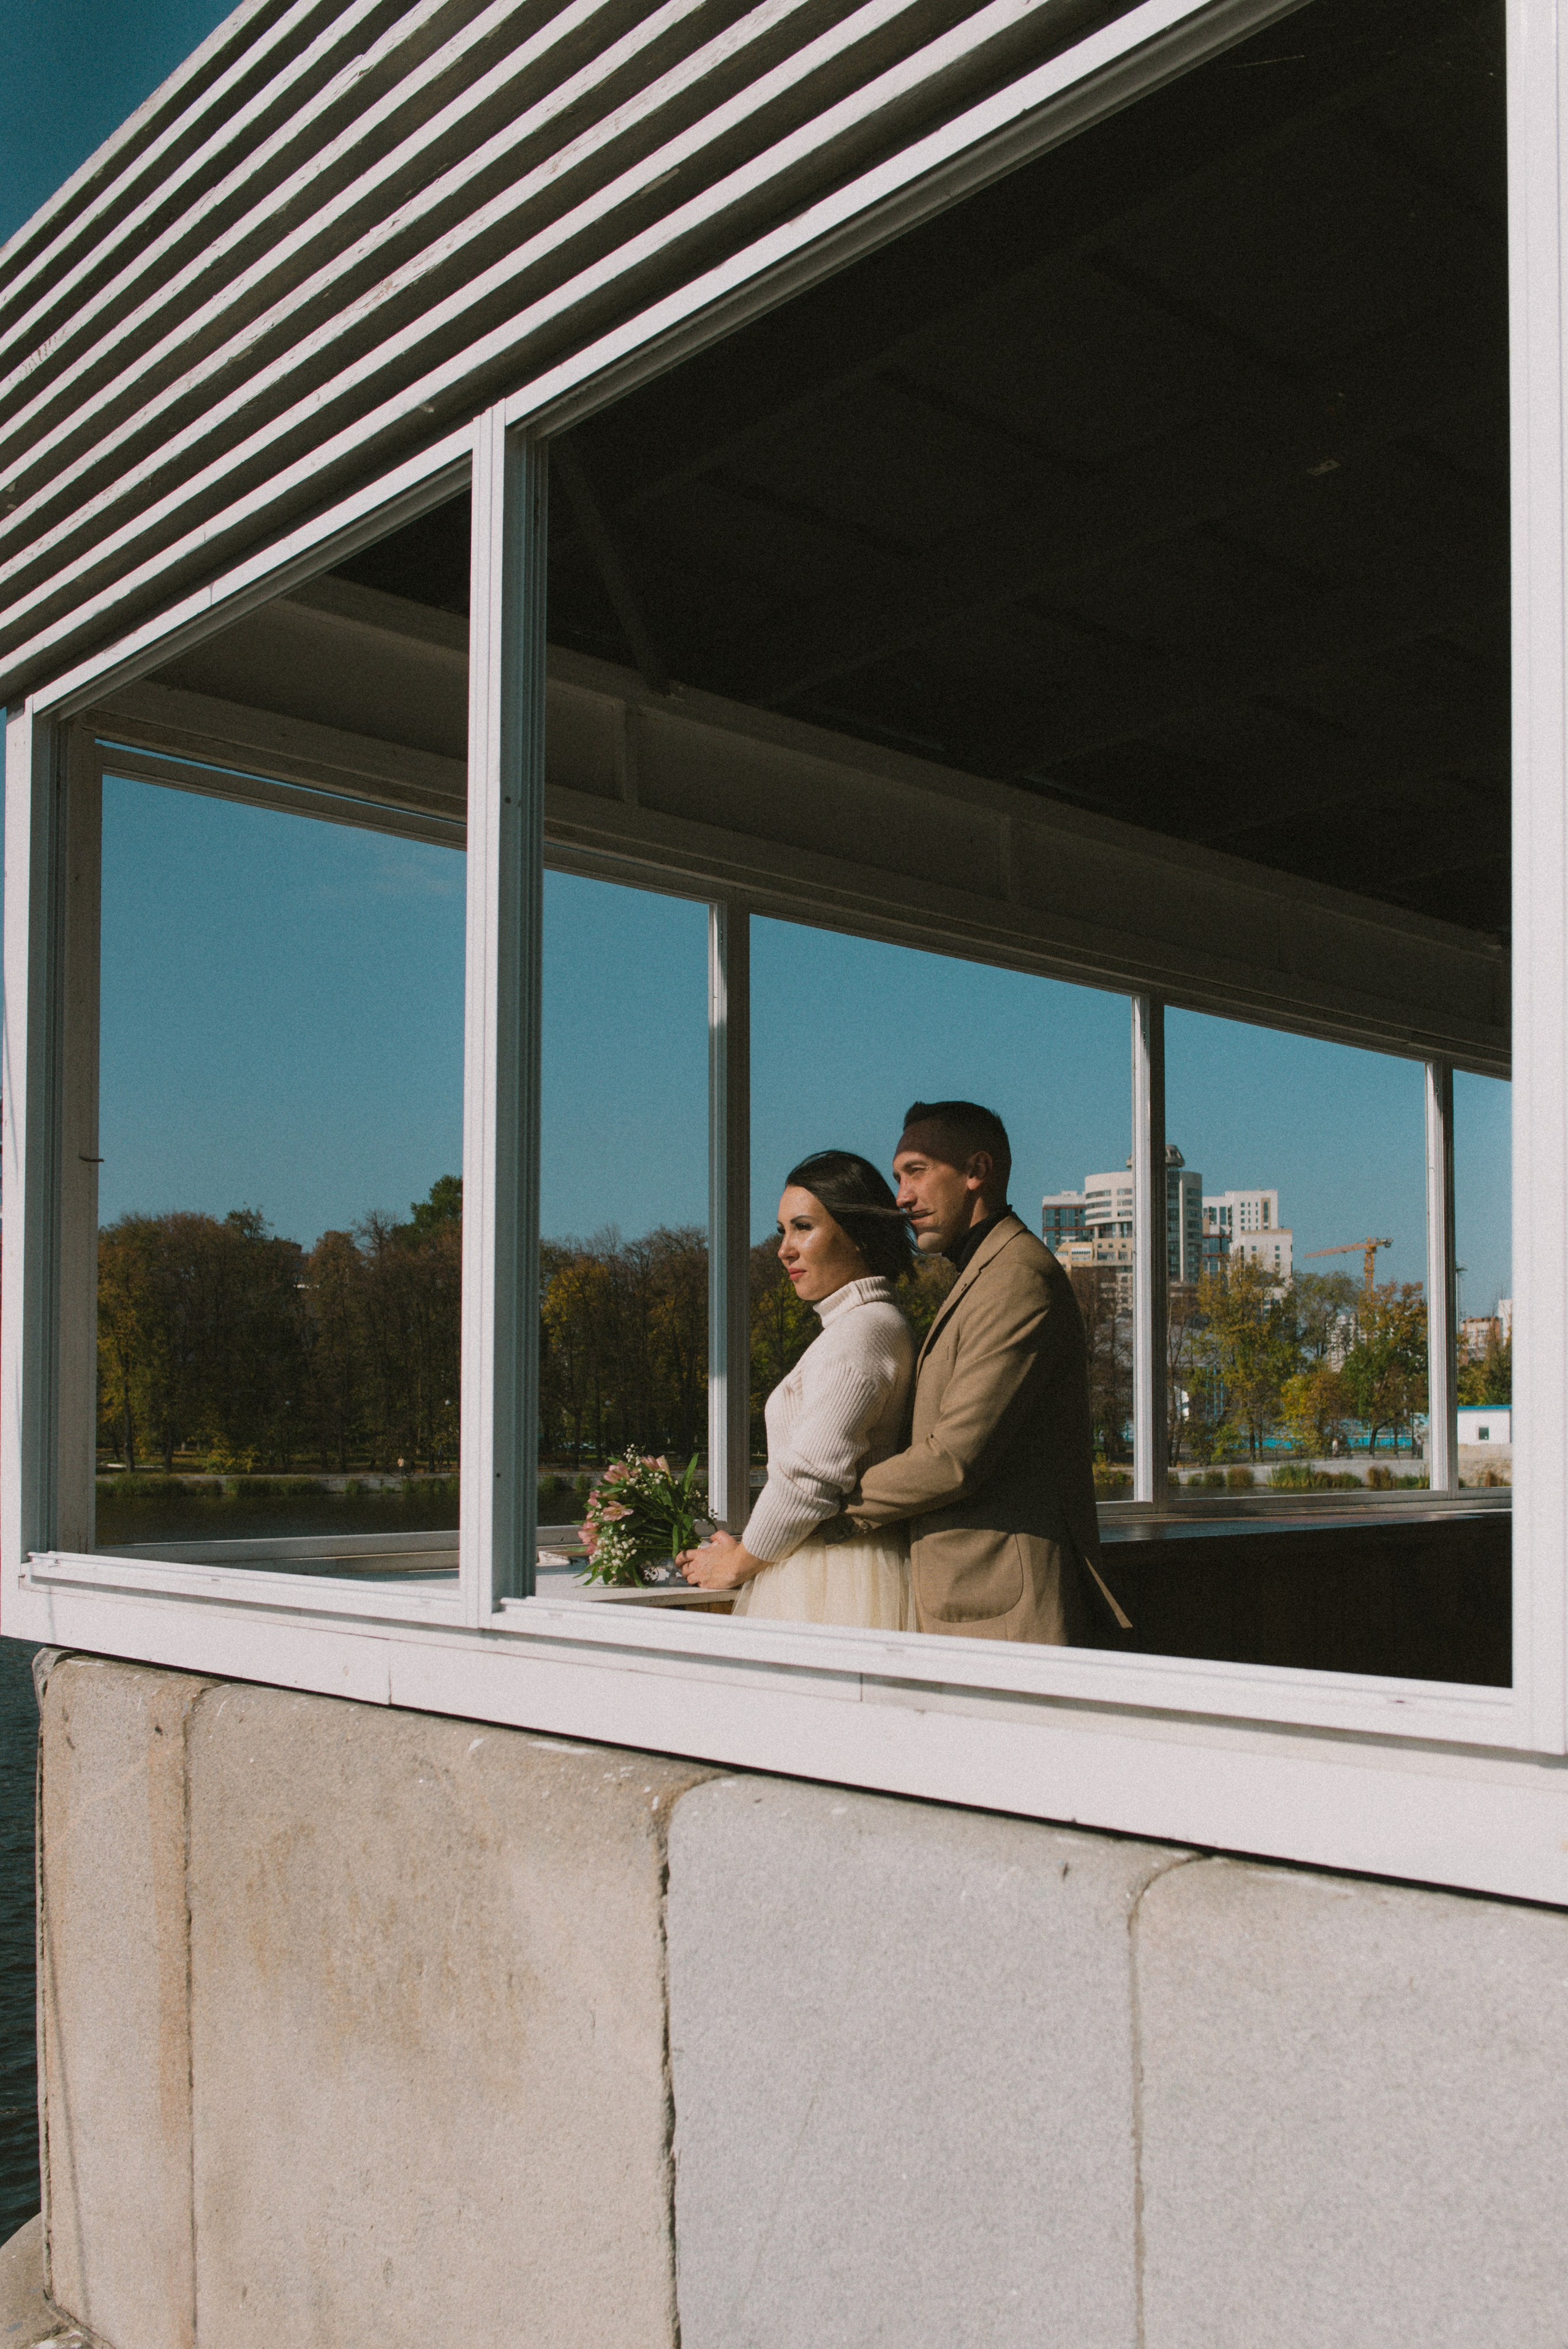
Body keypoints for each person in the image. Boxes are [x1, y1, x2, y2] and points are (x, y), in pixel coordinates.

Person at [842, 1099, 1129, 1645]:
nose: (901, 1196)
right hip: (975, 1605)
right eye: (899, 1176)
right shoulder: (987, 1273)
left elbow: (953, 1458)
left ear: (977, 1171)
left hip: (1005, 1617)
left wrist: (821, 1506)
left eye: (917, 1172)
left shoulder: (1017, 1279)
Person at [678, 1151, 916, 1628]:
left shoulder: (861, 1332)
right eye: (783, 1229)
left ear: (858, 1236)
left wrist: (740, 1561)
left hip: (836, 1578)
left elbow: (809, 1478)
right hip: (834, 1565)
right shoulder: (864, 1325)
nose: (784, 1248)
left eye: (803, 1227)